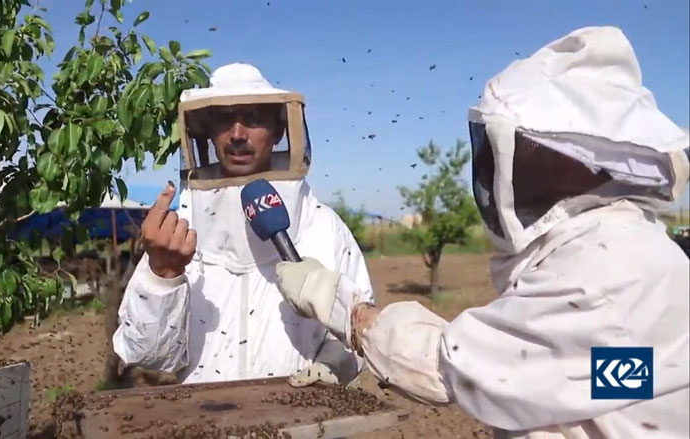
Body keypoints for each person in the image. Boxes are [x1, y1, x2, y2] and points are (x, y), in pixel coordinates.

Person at [274, 26, 690, 438]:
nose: (491, 171)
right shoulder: (641, 252)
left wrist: (342, 308)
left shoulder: (607, 270)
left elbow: (449, 367)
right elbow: (606, 377)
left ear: (575, 163)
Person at [112, 63, 375, 387]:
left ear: (280, 131)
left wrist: (331, 367)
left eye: (253, 119)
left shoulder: (323, 227)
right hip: (203, 421)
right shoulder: (180, 231)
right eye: (224, 120)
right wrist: (162, 277)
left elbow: (359, 332)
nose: (237, 135)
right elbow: (148, 358)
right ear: (206, 131)